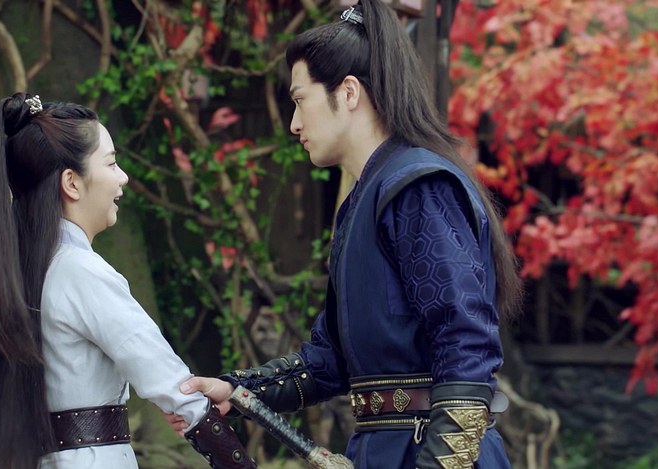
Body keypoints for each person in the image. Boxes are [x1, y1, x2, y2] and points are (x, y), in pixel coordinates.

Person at [169, 2, 522, 468]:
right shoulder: (362, 202)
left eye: (300, 100)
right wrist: (237, 391)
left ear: (349, 92)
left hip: (431, 452)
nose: (294, 123)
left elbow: (466, 344)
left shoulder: (420, 188)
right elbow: (329, 360)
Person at [0, 93, 256, 469]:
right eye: (111, 163)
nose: (123, 178)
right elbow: (170, 383)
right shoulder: (80, 272)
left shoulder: (28, 270)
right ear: (72, 183)